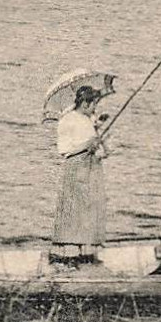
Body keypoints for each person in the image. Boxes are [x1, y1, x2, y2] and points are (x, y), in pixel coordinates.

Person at [50, 84, 108, 265]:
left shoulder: (89, 120)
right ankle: (68, 254)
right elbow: (64, 149)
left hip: (92, 167)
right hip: (76, 167)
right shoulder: (67, 120)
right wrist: (86, 144)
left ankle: (87, 251)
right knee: (74, 209)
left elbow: (104, 151)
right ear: (84, 103)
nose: (95, 109)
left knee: (92, 208)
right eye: (93, 104)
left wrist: (98, 133)